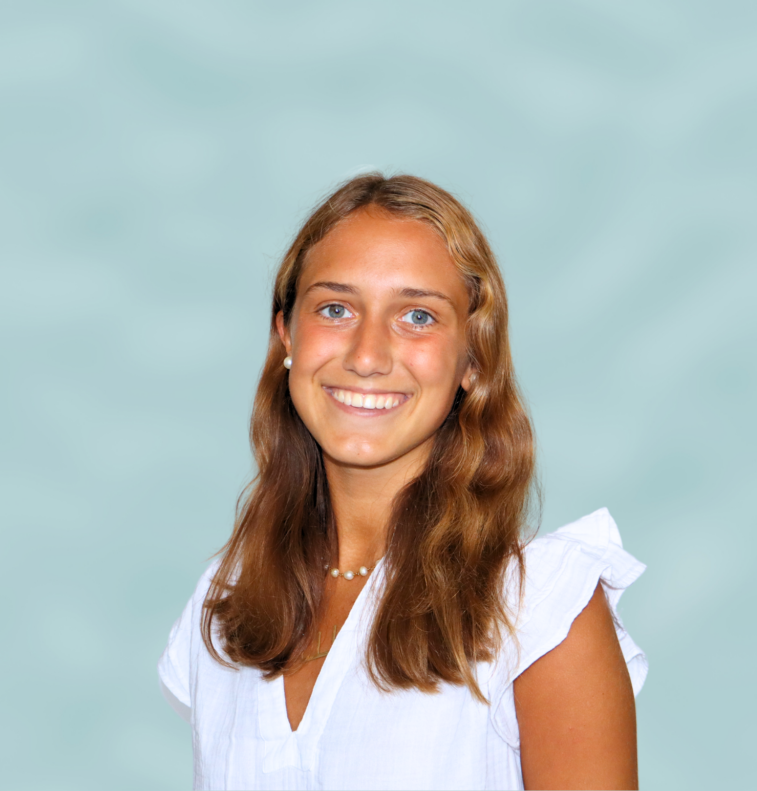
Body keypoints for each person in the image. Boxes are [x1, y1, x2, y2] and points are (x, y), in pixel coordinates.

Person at [158, 173, 647, 790]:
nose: (367, 356)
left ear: (473, 359)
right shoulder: (225, 602)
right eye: (335, 309)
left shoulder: (542, 608)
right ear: (286, 335)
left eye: (418, 316)